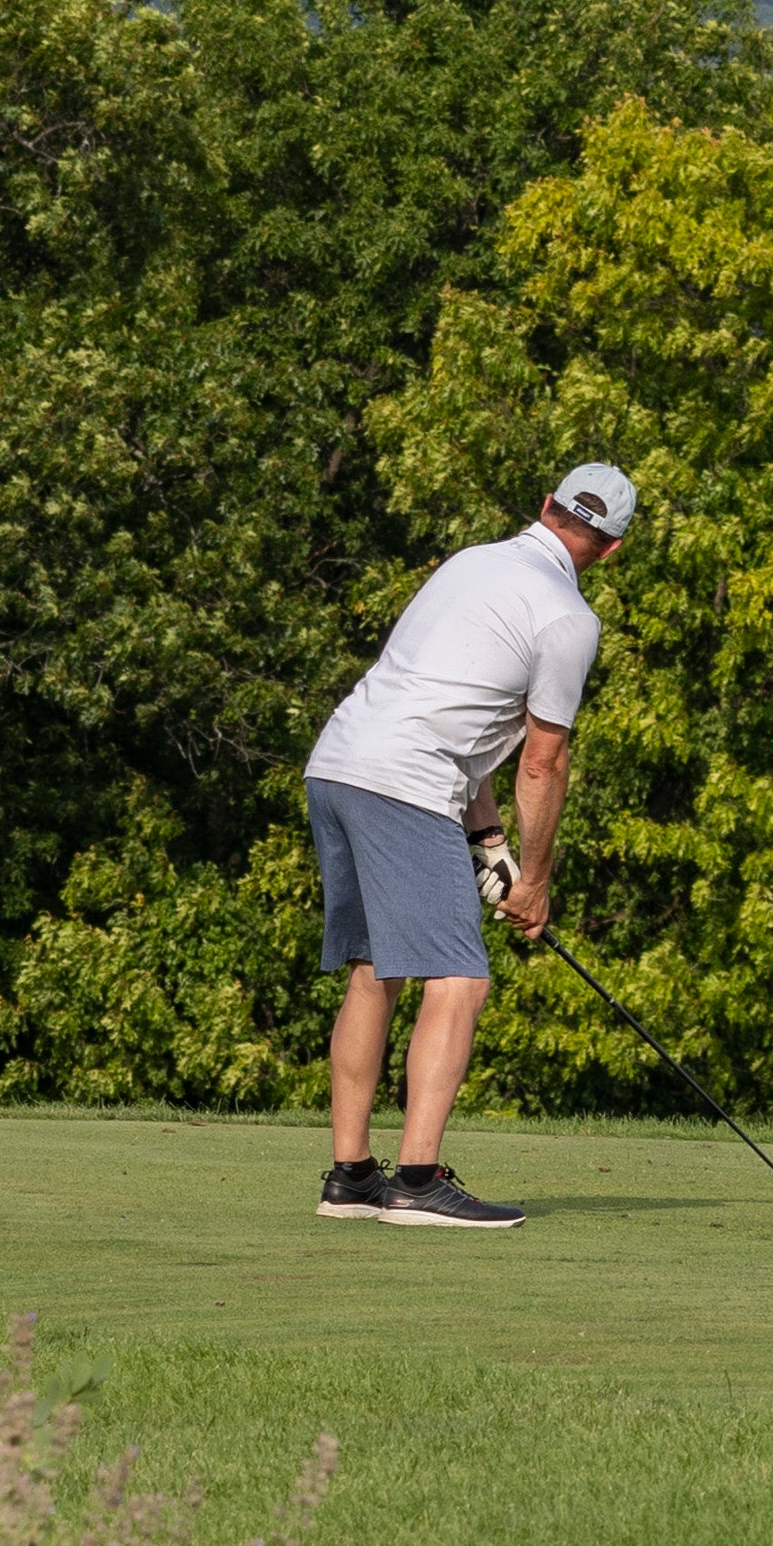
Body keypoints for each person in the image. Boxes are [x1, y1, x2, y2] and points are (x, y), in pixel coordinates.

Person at [300, 463, 629, 1229]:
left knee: (375, 969)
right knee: (460, 980)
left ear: (544, 506)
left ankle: (351, 1178)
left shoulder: (468, 564)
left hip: (339, 764)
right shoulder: (567, 619)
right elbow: (542, 761)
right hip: (404, 781)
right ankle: (416, 1182)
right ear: (611, 550)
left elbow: (459, 720)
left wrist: (487, 840)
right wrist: (535, 882)